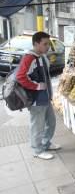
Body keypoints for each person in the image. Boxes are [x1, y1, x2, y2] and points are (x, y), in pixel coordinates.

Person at [16, 32, 60, 160]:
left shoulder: (41, 56)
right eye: (45, 44)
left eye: (48, 44)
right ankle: (37, 150)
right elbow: (20, 77)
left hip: (45, 97)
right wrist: (36, 86)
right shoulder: (29, 58)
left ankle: (45, 143)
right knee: (37, 126)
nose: (48, 47)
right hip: (36, 100)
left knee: (51, 122)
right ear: (36, 44)